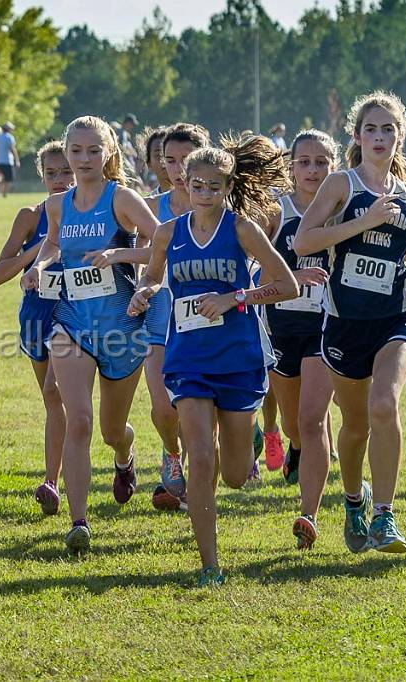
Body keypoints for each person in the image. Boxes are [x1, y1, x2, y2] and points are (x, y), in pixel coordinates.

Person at [129, 134, 297, 586]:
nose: (204, 193)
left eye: (214, 186)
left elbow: (287, 285)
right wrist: (144, 292)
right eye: (196, 185)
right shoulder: (168, 233)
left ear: (227, 186)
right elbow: (153, 277)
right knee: (200, 458)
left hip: (239, 358)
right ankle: (210, 565)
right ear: (182, 181)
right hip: (189, 358)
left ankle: (248, 444)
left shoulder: (242, 229)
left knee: (237, 475)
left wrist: (234, 297)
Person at [294, 91, 406, 554]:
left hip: (398, 317)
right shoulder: (341, 185)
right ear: (357, 136)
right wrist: (360, 224)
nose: (379, 137)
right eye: (371, 129)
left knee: (385, 404)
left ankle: (385, 515)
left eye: (388, 130)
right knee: (356, 424)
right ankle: (353, 501)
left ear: (400, 137)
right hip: (346, 323)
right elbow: (304, 241)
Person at [22, 116, 158, 552]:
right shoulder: (58, 204)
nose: (83, 160)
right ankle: (79, 521)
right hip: (72, 322)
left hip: (121, 327)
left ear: (109, 153)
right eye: (75, 151)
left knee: (110, 429)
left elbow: (165, 245)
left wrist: (120, 253)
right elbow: (55, 243)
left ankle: (124, 455)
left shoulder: (123, 199)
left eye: (92, 151)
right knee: (76, 418)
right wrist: (40, 266)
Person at [260, 130, 338, 547]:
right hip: (281, 329)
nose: (312, 170)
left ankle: (309, 513)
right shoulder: (275, 212)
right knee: (295, 425)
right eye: (304, 162)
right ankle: (294, 444)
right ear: (291, 167)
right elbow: (253, 276)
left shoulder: (342, 211)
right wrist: (290, 279)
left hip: (326, 328)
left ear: (334, 166)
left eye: (322, 162)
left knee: (311, 420)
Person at [0, 141, 73, 514]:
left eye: (67, 170)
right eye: (52, 173)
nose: (60, 179)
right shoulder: (29, 215)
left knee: (55, 389)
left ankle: (54, 481)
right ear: (41, 176)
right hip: (36, 314)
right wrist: (36, 251)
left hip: (74, 313)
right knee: (51, 398)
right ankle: (120, 453)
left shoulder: (93, 212)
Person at [141, 122, 211, 512]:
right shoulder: (152, 208)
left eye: (186, 160)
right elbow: (143, 258)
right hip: (162, 310)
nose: (178, 169)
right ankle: (171, 453)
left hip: (206, 316)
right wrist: (142, 283)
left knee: (199, 411)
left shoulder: (222, 206)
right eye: (170, 160)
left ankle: (201, 496)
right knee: (163, 407)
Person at [0, 122, 18, 198]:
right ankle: (4, 193)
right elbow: (12, 149)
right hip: (7, 161)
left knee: (1, 177)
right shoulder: (9, 137)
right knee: (8, 179)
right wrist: (17, 160)